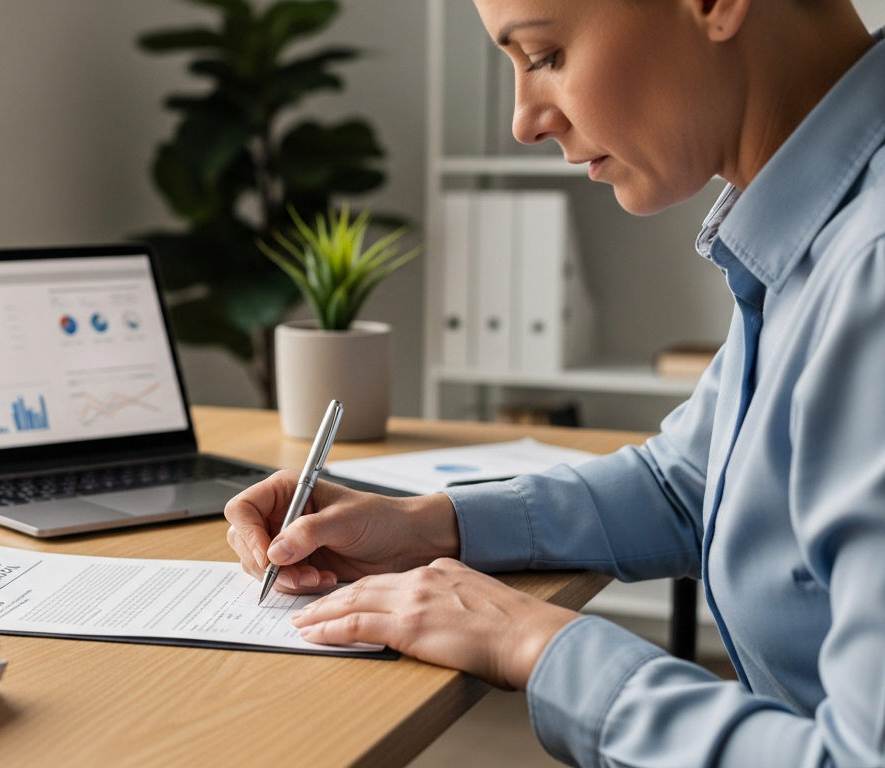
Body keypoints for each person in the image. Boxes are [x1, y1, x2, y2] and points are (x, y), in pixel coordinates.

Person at [224, 0, 885, 765]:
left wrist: (530, 642)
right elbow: (690, 484)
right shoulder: (818, 222)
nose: (525, 121)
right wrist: (427, 527)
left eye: (544, 56)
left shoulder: (870, 266)